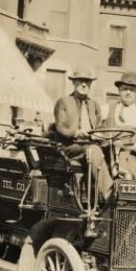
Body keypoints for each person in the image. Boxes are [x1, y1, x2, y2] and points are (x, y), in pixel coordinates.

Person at [53, 66, 114, 202]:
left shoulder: (94, 105)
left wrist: (101, 136)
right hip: (69, 146)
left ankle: (122, 188)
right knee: (93, 150)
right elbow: (60, 128)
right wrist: (76, 133)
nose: (84, 84)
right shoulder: (63, 102)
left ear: (91, 84)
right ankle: (108, 194)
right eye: (80, 81)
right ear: (73, 82)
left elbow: (99, 128)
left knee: (113, 148)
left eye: (87, 81)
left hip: (90, 144)